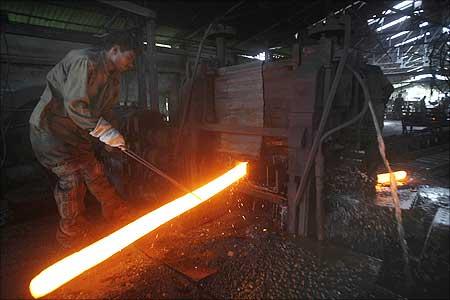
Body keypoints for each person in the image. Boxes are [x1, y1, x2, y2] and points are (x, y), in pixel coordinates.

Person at [29, 31, 138, 248]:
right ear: (114, 50)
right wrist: (104, 132)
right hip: (51, 131)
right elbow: (75, 105)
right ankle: (72, 234)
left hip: (76, 133)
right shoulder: (84, 61)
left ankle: (117, 212)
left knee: (95, 172)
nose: (131, 64)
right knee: (72, 179)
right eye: (130, 57)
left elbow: (106, 111)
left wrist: (112, 137)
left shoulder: (114, 78)